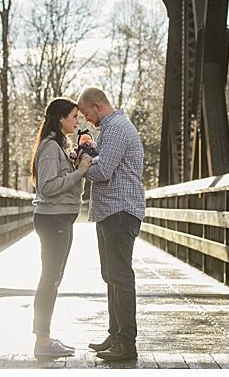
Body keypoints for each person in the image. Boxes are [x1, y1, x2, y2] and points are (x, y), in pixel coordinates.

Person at [78, 87, 145, 361]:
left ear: (97, 106)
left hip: (120, 210)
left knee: (121, 276)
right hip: (110, 211)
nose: (86, 119)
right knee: (111, 275)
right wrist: (87, 157)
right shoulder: (109, 128)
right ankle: (116, 335)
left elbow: (103, 171)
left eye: (86, 113)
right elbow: (103, 162)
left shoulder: (116, 128)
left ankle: (127, 343)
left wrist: (80, 166)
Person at [28, 98, 93, 357]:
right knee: (50, 279)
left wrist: (74, 164)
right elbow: (47, 187)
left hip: (59, 219)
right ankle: (42, 342)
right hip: (53, 219)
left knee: (52, 278)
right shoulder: (50, 147)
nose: (78, 121)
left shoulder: (58, 146)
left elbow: (56, 180)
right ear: (60, 119)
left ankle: (44, 338)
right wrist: (80, 172)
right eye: (74, 116)